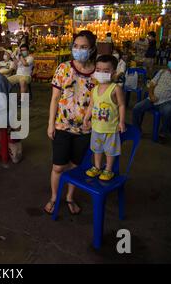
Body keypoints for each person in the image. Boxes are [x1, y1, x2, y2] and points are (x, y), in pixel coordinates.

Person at [44, 30, 98, 216]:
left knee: (75, 167)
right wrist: (51, 123)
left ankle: (69, 197)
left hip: (85, 129)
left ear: (91, 50)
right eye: (76, 46)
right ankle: (54, 197)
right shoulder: (63, 68)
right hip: (62, 126)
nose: (78, 50)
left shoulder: (98, 73)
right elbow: (54, 99)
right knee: (58, 166)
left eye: (83, 47)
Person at [83, 55, 126, 181]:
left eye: (106, 71)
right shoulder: (94, 89)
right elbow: (91, 104)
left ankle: (108, 169)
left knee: (110, 151)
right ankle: (97, 167)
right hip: (96, 127)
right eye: (98, 70)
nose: (101, 73)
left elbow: (122, 105)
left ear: (114, 73)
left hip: (110, 128)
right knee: (97, 149)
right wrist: (86, 118)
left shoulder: (115, 89)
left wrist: (121, 122)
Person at [132, 53, 171, 143]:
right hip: (152, 100)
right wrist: (151, 95)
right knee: (137, 108)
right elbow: (152, 84)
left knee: (168, 111)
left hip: (167, 102)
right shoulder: (162, 72)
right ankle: (137, 129)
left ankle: (163, 132)